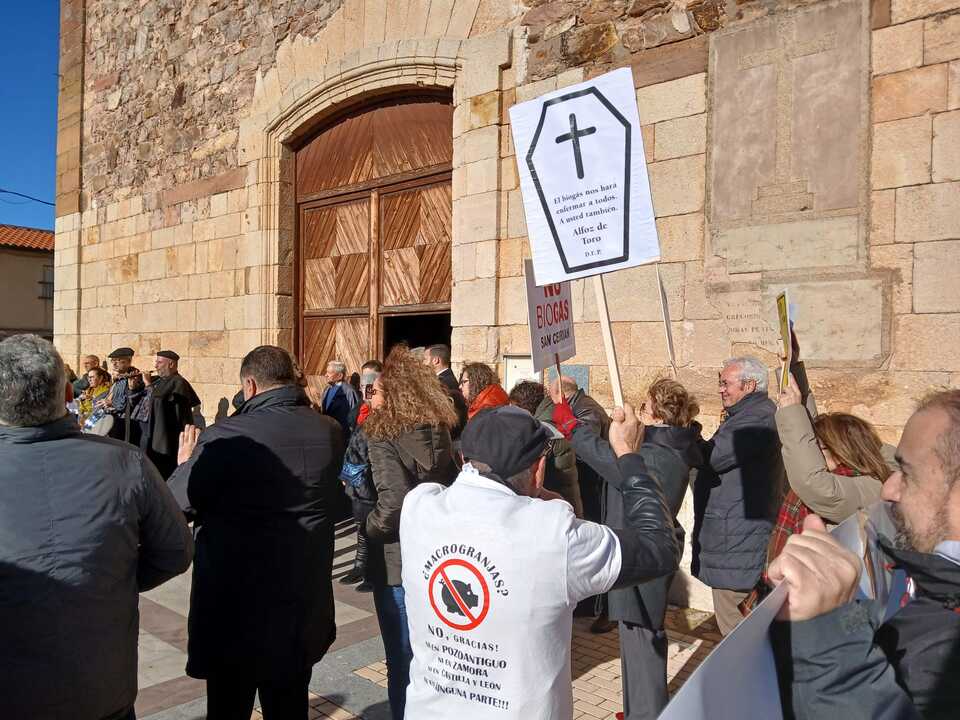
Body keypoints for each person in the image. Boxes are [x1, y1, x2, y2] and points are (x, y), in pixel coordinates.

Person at [400, 403, 680, 720]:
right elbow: (660, 547)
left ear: (464, 458)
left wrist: (536, 495)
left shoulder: (418, 508)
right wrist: (629, 457)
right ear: (539, 467)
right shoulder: (553, 534)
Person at [0, 334, 193, 720]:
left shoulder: (127, 459)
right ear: (69, 391)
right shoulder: (125, 463)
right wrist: (106, 575)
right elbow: (175, 552)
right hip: (100, 688)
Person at [168, 345, 344, 720]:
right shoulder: (328, 429)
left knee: (229, 708)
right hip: (300, 603)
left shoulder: (224, 435)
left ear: (249, 385)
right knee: (289, 704)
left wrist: (184, 465)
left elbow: (175, 506)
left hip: (235, 609)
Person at [769, 389, 960, 720]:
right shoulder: (937, 594)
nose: (890, 489)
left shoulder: (941, 659)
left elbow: (813, 483)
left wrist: (826, 638)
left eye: (907, 473)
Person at [554, 377, 704, 720]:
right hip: (644, 548)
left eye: (643, 408)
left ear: (655, 415)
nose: (639, 413)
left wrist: (570, 423)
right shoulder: (674, 442)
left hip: (643, 553)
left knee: (642, 641)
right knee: (636, 636)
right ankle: (638, 708)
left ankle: (647, 712)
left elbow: (607, 458)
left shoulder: (656, 453)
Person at [363, 345, 459, 720]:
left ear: (397, 393)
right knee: (432, 654)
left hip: (398, 560)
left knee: (401, 660)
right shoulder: (439, 428)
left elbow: (394, 504)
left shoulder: (383, 434)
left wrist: (369, 529)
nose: (375, 395)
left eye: (380, 390)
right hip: (435, 555)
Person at [693, 356, 786, 635]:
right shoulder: (748, 414)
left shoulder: (755, 418)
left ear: (749, 384)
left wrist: (686, 430)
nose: (721, 389)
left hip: (736, 542)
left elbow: (715, 458)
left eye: (726, 383)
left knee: (736, 634)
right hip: (735, 538)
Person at [537, 376, 613, 630]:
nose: (550, 400)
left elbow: (585, 446)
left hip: (594, 486)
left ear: (561, 394)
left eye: (551, 395)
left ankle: (602, 609)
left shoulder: (587, 410)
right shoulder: (580, 405)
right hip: (587, 485)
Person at [509, 379, 583, 517]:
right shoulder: (551, 421)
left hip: (558, 510)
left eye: (513, 407)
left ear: (524, 408)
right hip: (565, 504)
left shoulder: (543, 432)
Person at [339, 359, 383, 591]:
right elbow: (354, 443)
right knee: (360, 526)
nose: (366, 387)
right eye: (363, 381)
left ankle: (372, 572)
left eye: (371, 381)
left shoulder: (382, 411)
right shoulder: (360, 410)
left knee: (372, 526)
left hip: (373, 478)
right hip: (357, 478)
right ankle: (360, 565)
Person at [132, 350, 200, 479]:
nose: (156, 366)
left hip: (167, 436)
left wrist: (148, 385)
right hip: (152, 433)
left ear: (171, 364)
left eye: (159, 362)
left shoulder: (179, 382)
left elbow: (159, 402)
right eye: (156, 362)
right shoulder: (160, 381)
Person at [423, 344, 468, 437]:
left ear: (435, 360)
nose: (423, 363)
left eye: (425, 359)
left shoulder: (443, 383)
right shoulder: (444, 379)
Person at [104, 346, 144, 444]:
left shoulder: (133, 378)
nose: (114, 363)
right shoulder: (119, 378)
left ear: (128, 361)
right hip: (115, 423)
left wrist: (110, 403)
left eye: (118, 360)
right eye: (113, 360)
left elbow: (126, 403)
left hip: (125, 425)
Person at [322, 359, 360, 435]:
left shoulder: (349, 391)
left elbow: (355, 415)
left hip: (343, 435)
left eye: (329, 373)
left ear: (340, 376)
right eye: (326, 372)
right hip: (329, 433)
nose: (326, 375)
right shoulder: (326, 389)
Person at [78, 366, 112, 430]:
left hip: (96, 427)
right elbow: (81, 410)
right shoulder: (89, 390)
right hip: (84, 425)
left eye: (92, 377)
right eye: (88, 377)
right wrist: (82, 400)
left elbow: (95, 411)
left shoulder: (106, 391)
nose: (89, 380)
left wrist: (90, 399)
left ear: (100, 378)